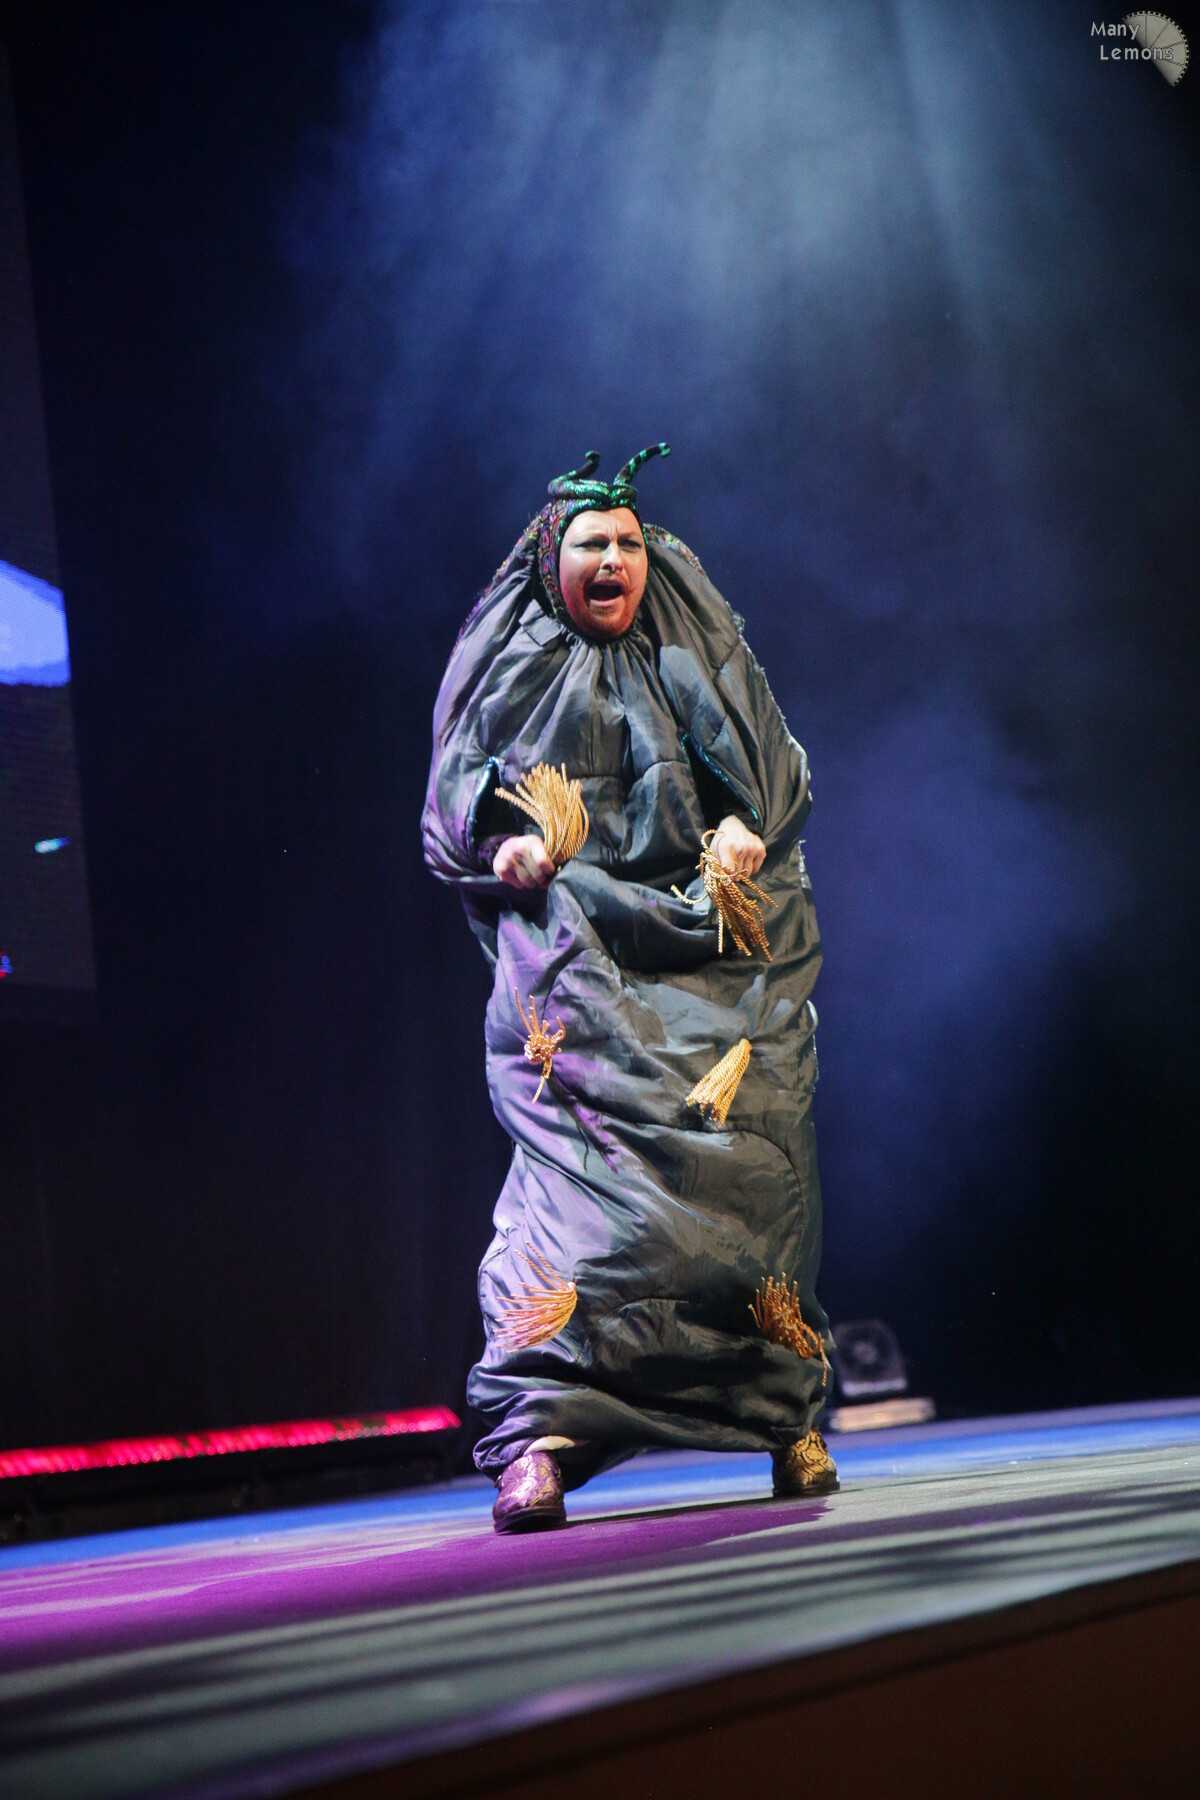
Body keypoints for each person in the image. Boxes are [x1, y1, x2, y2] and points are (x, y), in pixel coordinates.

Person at [422, 446, 837, 1533]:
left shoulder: (691, 650)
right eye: (592, 544)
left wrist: (744, 827)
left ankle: (784, 1416)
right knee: (577, 1214)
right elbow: (457, 799)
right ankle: (539, 1439)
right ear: (551, 561)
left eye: (627, 544)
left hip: (712, 955)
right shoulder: (512, 663)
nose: (613, 559)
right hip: (577, 961)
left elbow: (771, 773)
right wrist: (505, 847)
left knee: (749, 1184)